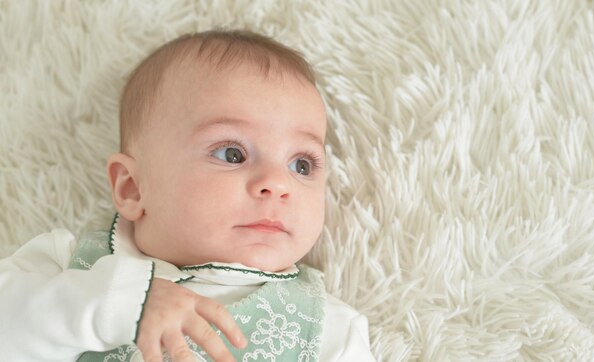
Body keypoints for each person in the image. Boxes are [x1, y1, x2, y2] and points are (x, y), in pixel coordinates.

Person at [0, 30, 374, 361]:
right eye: (233, 154)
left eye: (302, 165)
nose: (278, 183)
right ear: (132, 187)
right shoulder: (70, 265)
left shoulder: (329, 330)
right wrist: (120, 303)